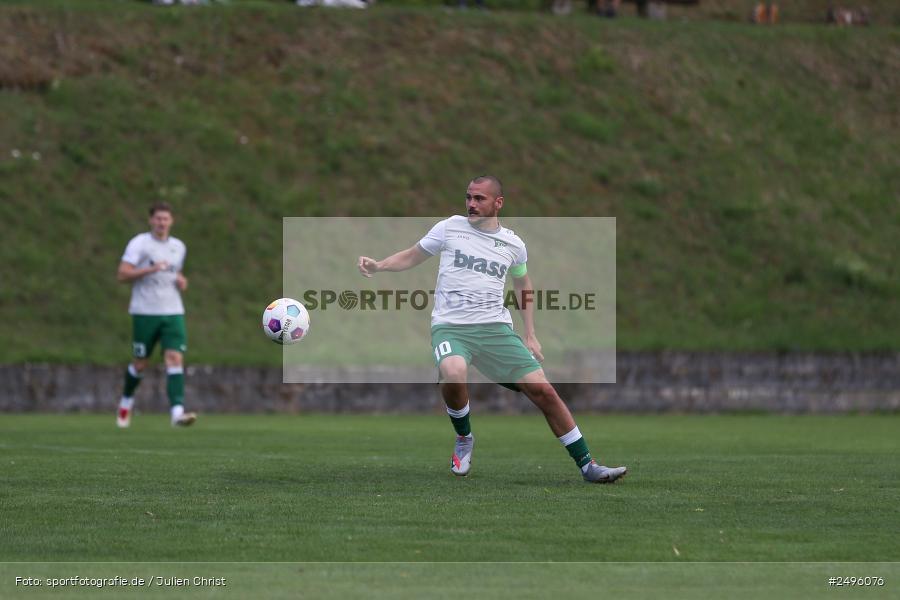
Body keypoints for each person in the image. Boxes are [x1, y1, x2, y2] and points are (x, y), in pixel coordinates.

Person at [358, 176, 626, 483]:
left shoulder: (514, 244)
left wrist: (531, 333)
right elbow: (412, 255)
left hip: (496, 330)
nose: (471, 204)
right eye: (469, 197)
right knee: (454, 371)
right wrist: (379, 266)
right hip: (451, 328)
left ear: (498, 203)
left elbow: (523, 284)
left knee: (544, 391)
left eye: (479, 199)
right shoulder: (449, 227)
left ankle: (588, 466)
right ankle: (464, 438)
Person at [116, 202, 196, 428]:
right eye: (158, 218)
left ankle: (177, 413)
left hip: (172, 311)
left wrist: (181, 281)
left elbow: (175, 272)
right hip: (145, 311)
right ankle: (126, 402)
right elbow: (122, 274)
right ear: (151, 220)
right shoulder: (139, 244)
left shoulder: (178, 246)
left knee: (175, 358)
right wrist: (150, 269)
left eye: (165, 219)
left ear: (171, 221)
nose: (162, 223)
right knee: (140, 364)